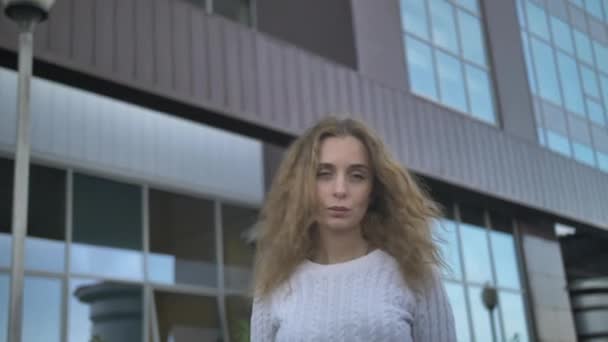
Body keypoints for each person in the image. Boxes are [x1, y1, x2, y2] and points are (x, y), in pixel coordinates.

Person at [250, 116, 456, 341]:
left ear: (374, 189)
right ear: (303, 185)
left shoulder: (416, 274)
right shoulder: (275, 283)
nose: (340, 190)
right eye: (324, 174)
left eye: (357, 176)